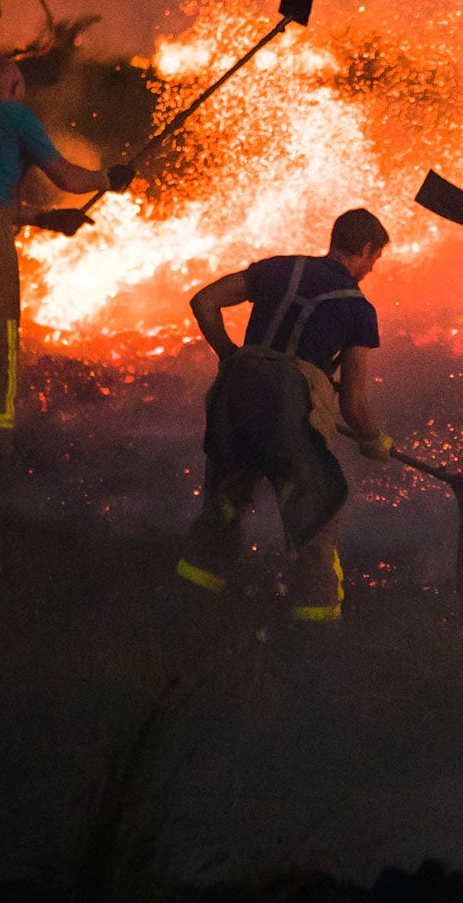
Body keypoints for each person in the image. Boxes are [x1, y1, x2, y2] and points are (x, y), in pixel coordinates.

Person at [177, 208, 394, 622]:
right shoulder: (358, 308)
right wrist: (374, 440)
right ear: (366, 250)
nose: (371, 268)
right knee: (314, 522)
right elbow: (353, 402)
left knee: (222, 507)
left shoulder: (279, 269)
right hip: (293, 411)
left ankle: (190, 612)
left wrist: (231, 356)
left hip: (235, 396)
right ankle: (315, 639)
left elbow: (204, 301)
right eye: (374, 259)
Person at [0, 58, 131, 464]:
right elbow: (66, 178)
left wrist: (47, 219)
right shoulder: (15, 114)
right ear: (15, 86)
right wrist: (108, 179)